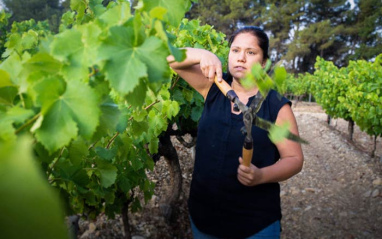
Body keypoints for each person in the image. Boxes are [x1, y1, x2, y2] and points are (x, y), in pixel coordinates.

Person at [167, 26, 304, 239]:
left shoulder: (276, 106)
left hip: (255, 224)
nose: (241, 58)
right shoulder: (213, 88)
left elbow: (294, 159)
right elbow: (170, 59)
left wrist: (261, 176)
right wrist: (203, 54)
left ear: (264, 62)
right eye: (235, 50)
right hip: (204, 218)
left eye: (250, 52)